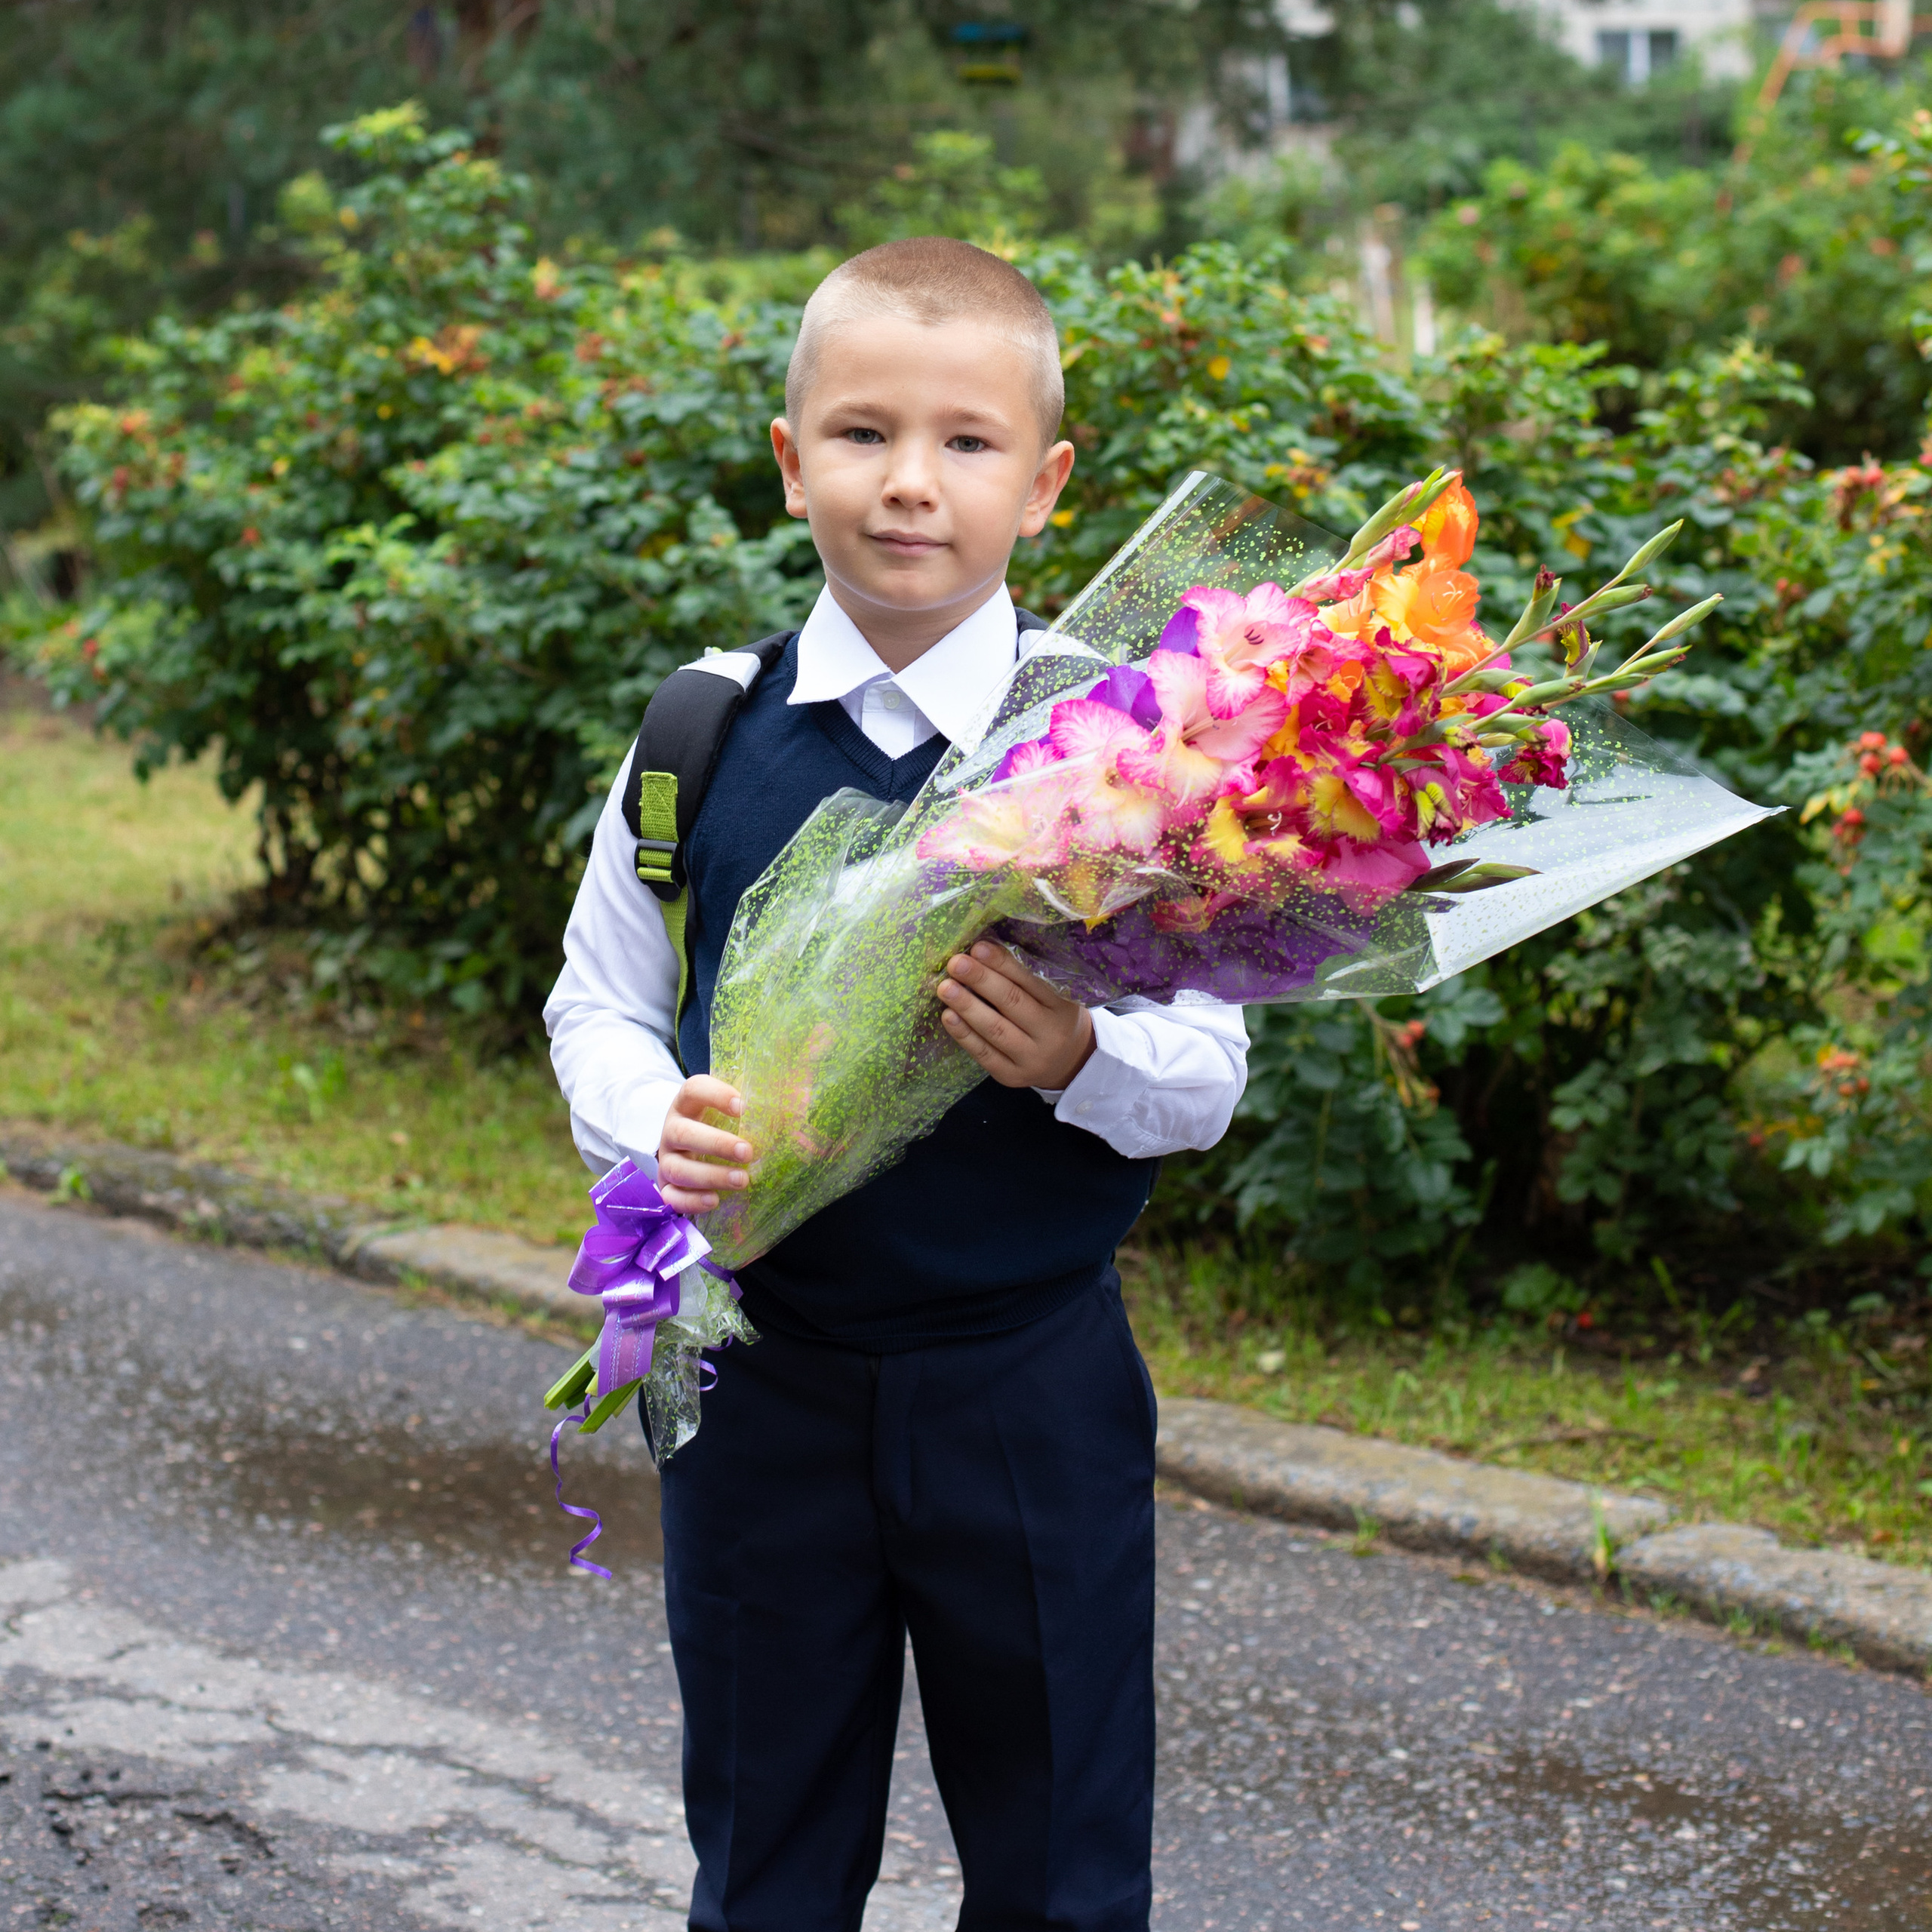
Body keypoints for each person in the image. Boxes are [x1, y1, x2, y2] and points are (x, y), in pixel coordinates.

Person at [543, 235, 1247, 1932]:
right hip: (760, 1385)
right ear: (790, 462)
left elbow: (1204, 1069)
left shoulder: (1125, 751)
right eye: (860, 434)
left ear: (1047, 481)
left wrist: (1079, 1055)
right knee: (766, 1863)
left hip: (1025, 1385)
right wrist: (660, 1123)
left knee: (1061, 1870)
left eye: (966, 442)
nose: (909, 484)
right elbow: (599, 1004)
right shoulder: (702, 729)